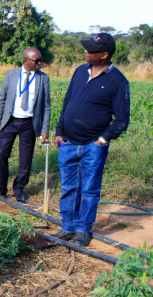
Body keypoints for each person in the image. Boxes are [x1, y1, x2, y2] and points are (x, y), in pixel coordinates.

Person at [53, 33, 130, 246]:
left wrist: (101, 141)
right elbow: (67, 103)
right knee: (68, 188)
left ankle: (82, 230)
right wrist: (59, 130)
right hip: (68, 143)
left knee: (89, 190)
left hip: (92, 146)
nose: (86, 52)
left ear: (104, 55)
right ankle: (67, 226)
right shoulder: (79, 71)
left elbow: (122, 120)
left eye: (91, 50)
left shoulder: (117, 81)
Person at [0, 47, 51, 203]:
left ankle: (18, 189)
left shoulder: (43, 78)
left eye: (40, 60)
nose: (39, 63)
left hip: (29, 124)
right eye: (36, 60)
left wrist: (45, 129)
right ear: (26, 61)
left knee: (25, 159)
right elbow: (2, 99)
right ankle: (2, 187)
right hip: (10, 121)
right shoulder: (11, 74)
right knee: (2, 154)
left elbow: (46, 106)